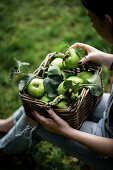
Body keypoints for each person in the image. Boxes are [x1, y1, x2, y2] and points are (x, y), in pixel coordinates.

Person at [0, 0, 113, 169]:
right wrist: (106, 58)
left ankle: (2, 148)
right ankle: (7, 125)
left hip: (107, 152)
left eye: (91, 19)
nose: (92, 25)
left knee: (39, 119)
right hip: (110, 115)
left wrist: (66, 131)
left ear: (108, 20)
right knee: (40, 101)